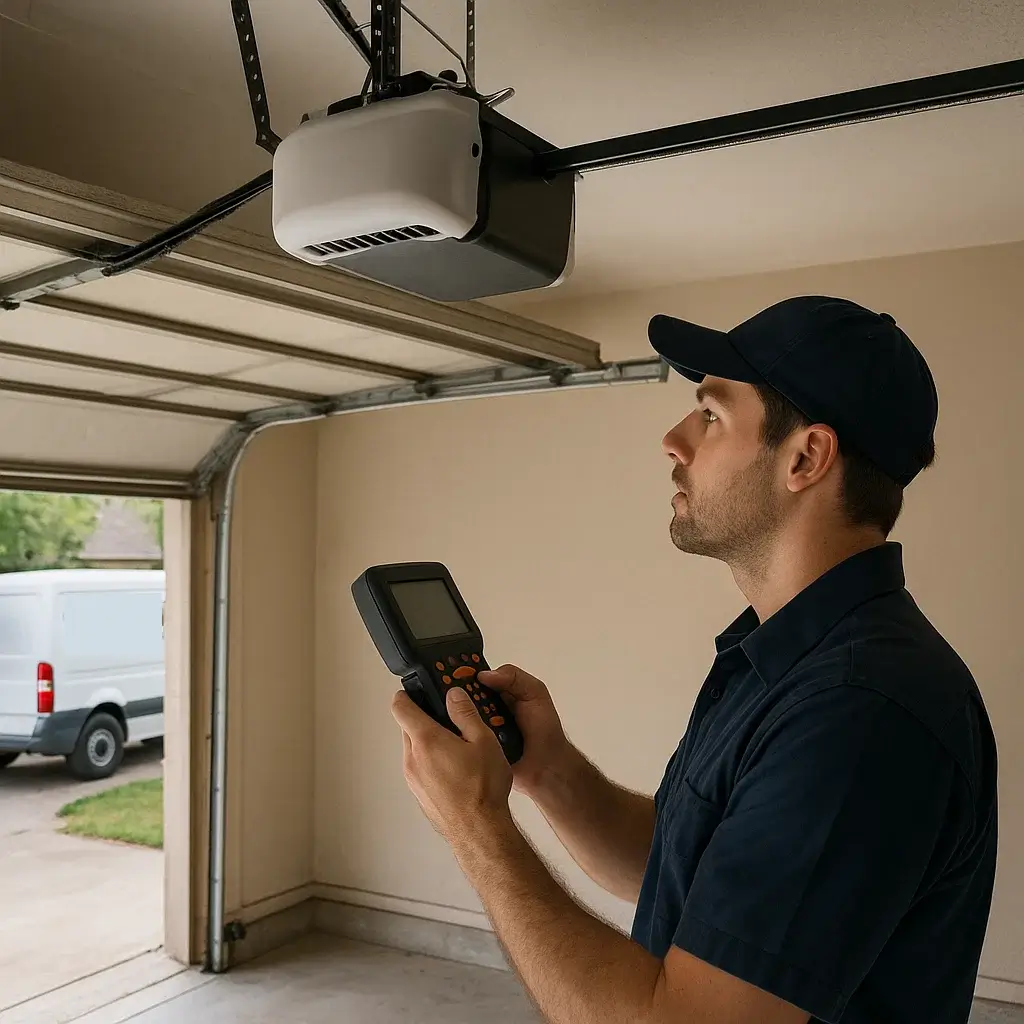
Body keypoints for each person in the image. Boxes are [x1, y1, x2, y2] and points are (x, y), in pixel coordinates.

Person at [390, 296, 998, 1024]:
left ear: (805, 458)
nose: (674, 440)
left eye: (710, 415)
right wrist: (547, 771)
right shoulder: (785, 657)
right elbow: (678, 867)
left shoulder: (859, 710)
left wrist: (476, 829)